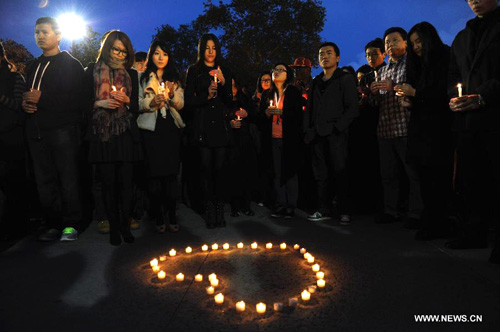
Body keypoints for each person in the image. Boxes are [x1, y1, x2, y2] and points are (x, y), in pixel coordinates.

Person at [22, 17, 84, 242]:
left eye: (45, 32)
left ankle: (72, 224)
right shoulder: (32, 65)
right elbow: (30, 95)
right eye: (36, 32)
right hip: (36, 132)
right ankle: (53, 223)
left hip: (63, 131)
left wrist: (43, 98)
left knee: (67, 179)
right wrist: (26, 104)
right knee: (44, 181)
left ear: (58, 35)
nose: (39, 36)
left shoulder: (70, 64)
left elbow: (77, 99)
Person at [447, 0, 500, 264]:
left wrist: (485, 96)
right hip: (467, 121)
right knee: (472, 179)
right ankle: (475, 231)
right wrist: (452, 98)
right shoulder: (462, 36)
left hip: (494, 116)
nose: (474, 0)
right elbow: (453, 75)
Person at [394, 22, 453, 240]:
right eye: (413, 43)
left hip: (439, 128)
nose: (416, 47)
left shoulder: (444, 57)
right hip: (420, 126)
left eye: (419, 41)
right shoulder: (416, 64)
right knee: (424, 176)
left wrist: (416, 93)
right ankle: (430, 221)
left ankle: (441, 222)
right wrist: (409, 100)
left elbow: (441, 92)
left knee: (439, 178)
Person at [84, 30, 142, 246]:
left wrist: (126, 100)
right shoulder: (92, 69)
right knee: (108, 184)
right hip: (103, 133)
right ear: (107, 48)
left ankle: (125, 226)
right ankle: (113, 228)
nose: (119, 54)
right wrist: (100, 103)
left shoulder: (132, 74)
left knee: (127, 183)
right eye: (115, 49)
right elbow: (82, 102)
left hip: (125, 132)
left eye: (123, 51)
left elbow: (136, 106)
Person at [370, 27, 423, 226]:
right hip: (385, 128)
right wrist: (374, 93)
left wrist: (395, 88)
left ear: (405, 43)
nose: (390, 45)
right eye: (387, 43)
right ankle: (390, 211)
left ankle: (416, 213)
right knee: (388, 174)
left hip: (406, 126)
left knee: (413, 173)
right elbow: (377, 103)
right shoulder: (381, 70)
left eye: (394, 40)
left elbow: (417, 90)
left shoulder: (412, 63)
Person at [304, 42, 359, 224]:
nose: (324, 57)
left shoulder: (345, 78)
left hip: (336, 134)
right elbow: (309, 109)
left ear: (337, 57)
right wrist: (308, 131)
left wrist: (338, 128)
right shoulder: (316, 81)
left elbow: (352, 108)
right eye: (321, 54)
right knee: (321, 174)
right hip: (317, 134)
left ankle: (344, 210)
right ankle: (323, 208)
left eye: (329, 53)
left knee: (340, 172)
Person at [184, 33, 233, 228]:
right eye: (207, 48)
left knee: (219, 171)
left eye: (214, 48)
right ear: (201, 49)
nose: (211, 52)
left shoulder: (224, 70)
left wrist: (223, 84)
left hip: (220, 128)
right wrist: (206, 95)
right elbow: (188, 101)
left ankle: (219, 209)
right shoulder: (194, 71)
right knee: (205, 170)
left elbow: (230, 101)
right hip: (203, 127)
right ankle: (209, 210)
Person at [138, 39, 184, 233]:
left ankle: (172, 214)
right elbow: (138, 103)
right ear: (151, 55)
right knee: (154, 176)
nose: (161, 57)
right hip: (151, 128)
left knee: (171, 176)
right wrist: (151, 102)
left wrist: (172, 95)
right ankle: (157, 215)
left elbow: (181, 104)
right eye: (157, 53)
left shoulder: (174, 78)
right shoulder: (142, 77)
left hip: (170, 128)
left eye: (164, 54)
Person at [260, 63, 304, 219]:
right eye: (274, 70)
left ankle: (291, 206)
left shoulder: (293, 93)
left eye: (280, 70)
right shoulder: (267, 94)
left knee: (290, 172)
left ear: (288, 74)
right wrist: (266, 113)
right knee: (277, 172)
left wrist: (282, 112)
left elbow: (299, 116)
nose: (276, 72)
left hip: (289, 138)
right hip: (272, 138)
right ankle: (280, 205)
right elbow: (259, 118)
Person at [0, 42, 27, 240]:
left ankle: (17, 227)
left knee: (14, 184)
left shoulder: (14, 77)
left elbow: (18, 105)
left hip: (11, 138)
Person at [228, 78, 257, 217]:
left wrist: (247, 114)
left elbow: (254, 115)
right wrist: (230, 123)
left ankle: (246, 205)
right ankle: (235, 206)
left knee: (246, 173)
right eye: (230, 85)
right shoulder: (223, 100)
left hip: (245, 140)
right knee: (233, 174)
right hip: (231, 141)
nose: (232, 88)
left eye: (234, 85)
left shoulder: (244, 99)